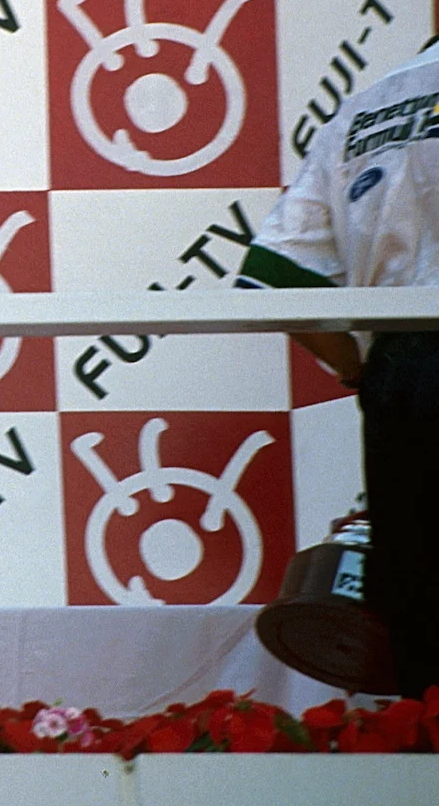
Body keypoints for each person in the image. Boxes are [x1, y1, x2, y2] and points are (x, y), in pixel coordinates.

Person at [237, 35, 439, 697]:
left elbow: (273, 279)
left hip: (401, 369)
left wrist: (362, 371)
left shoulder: (364, 107)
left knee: (420, 617)